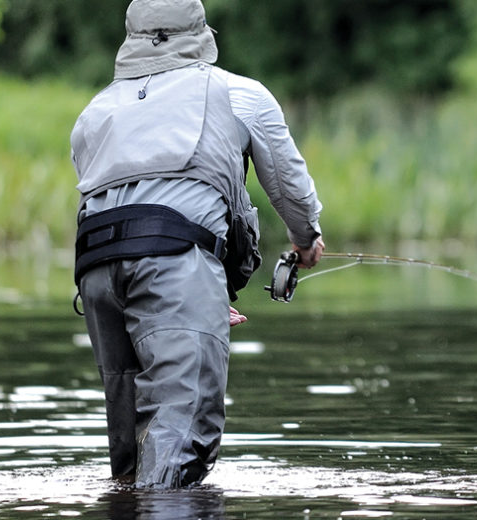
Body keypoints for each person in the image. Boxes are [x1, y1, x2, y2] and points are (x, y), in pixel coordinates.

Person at [70, 0, 324, 488]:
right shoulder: (238, 92)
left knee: (130, 448)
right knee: (184, 431)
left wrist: (202, 289)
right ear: (201, 31)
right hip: (175, 262)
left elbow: (114, 200)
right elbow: (289, 187)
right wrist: (305, 239)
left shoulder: (96, 109)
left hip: (96, 268)